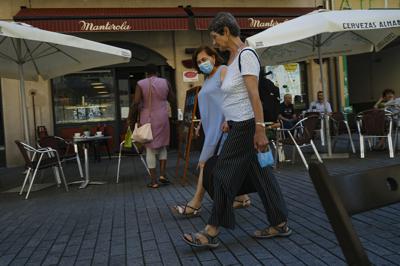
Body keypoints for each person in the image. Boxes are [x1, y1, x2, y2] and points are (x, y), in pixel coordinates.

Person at [183, 12, 291, 248]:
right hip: (237, 124)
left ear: (225, 31)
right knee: (263, 176)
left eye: (215, 37)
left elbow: (254, 95)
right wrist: (228, 120)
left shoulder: (246, 55)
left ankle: (211, 231)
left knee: (220, 172)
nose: (214, 43)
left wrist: (260, 130)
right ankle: (280, 222)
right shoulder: (231, 59)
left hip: (247, 126)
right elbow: (238, 96)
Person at [172, 46, 251, 217]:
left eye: (204, 59)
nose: (202, 63)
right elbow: (209, 105)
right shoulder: (207, 80)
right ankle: (242, 197)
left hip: (224, 127)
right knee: (218, 165)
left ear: (214, 58)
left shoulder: (223, 70)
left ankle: (195, 204)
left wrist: (229, 118)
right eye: (199, 62)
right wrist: (200, 124)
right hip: (211, 128)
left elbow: (233, 95)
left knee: (205, 164)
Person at [129, 64, 176, 188]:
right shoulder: (165, 82)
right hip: (163, 117)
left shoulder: (141, 83)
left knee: (150, 148)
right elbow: (172, 98)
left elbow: (136, 103)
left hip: (148, 118)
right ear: (157, 73)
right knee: (162, 146)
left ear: (146, 74)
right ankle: (163, 175)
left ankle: (154, 181)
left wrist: (131, 120)